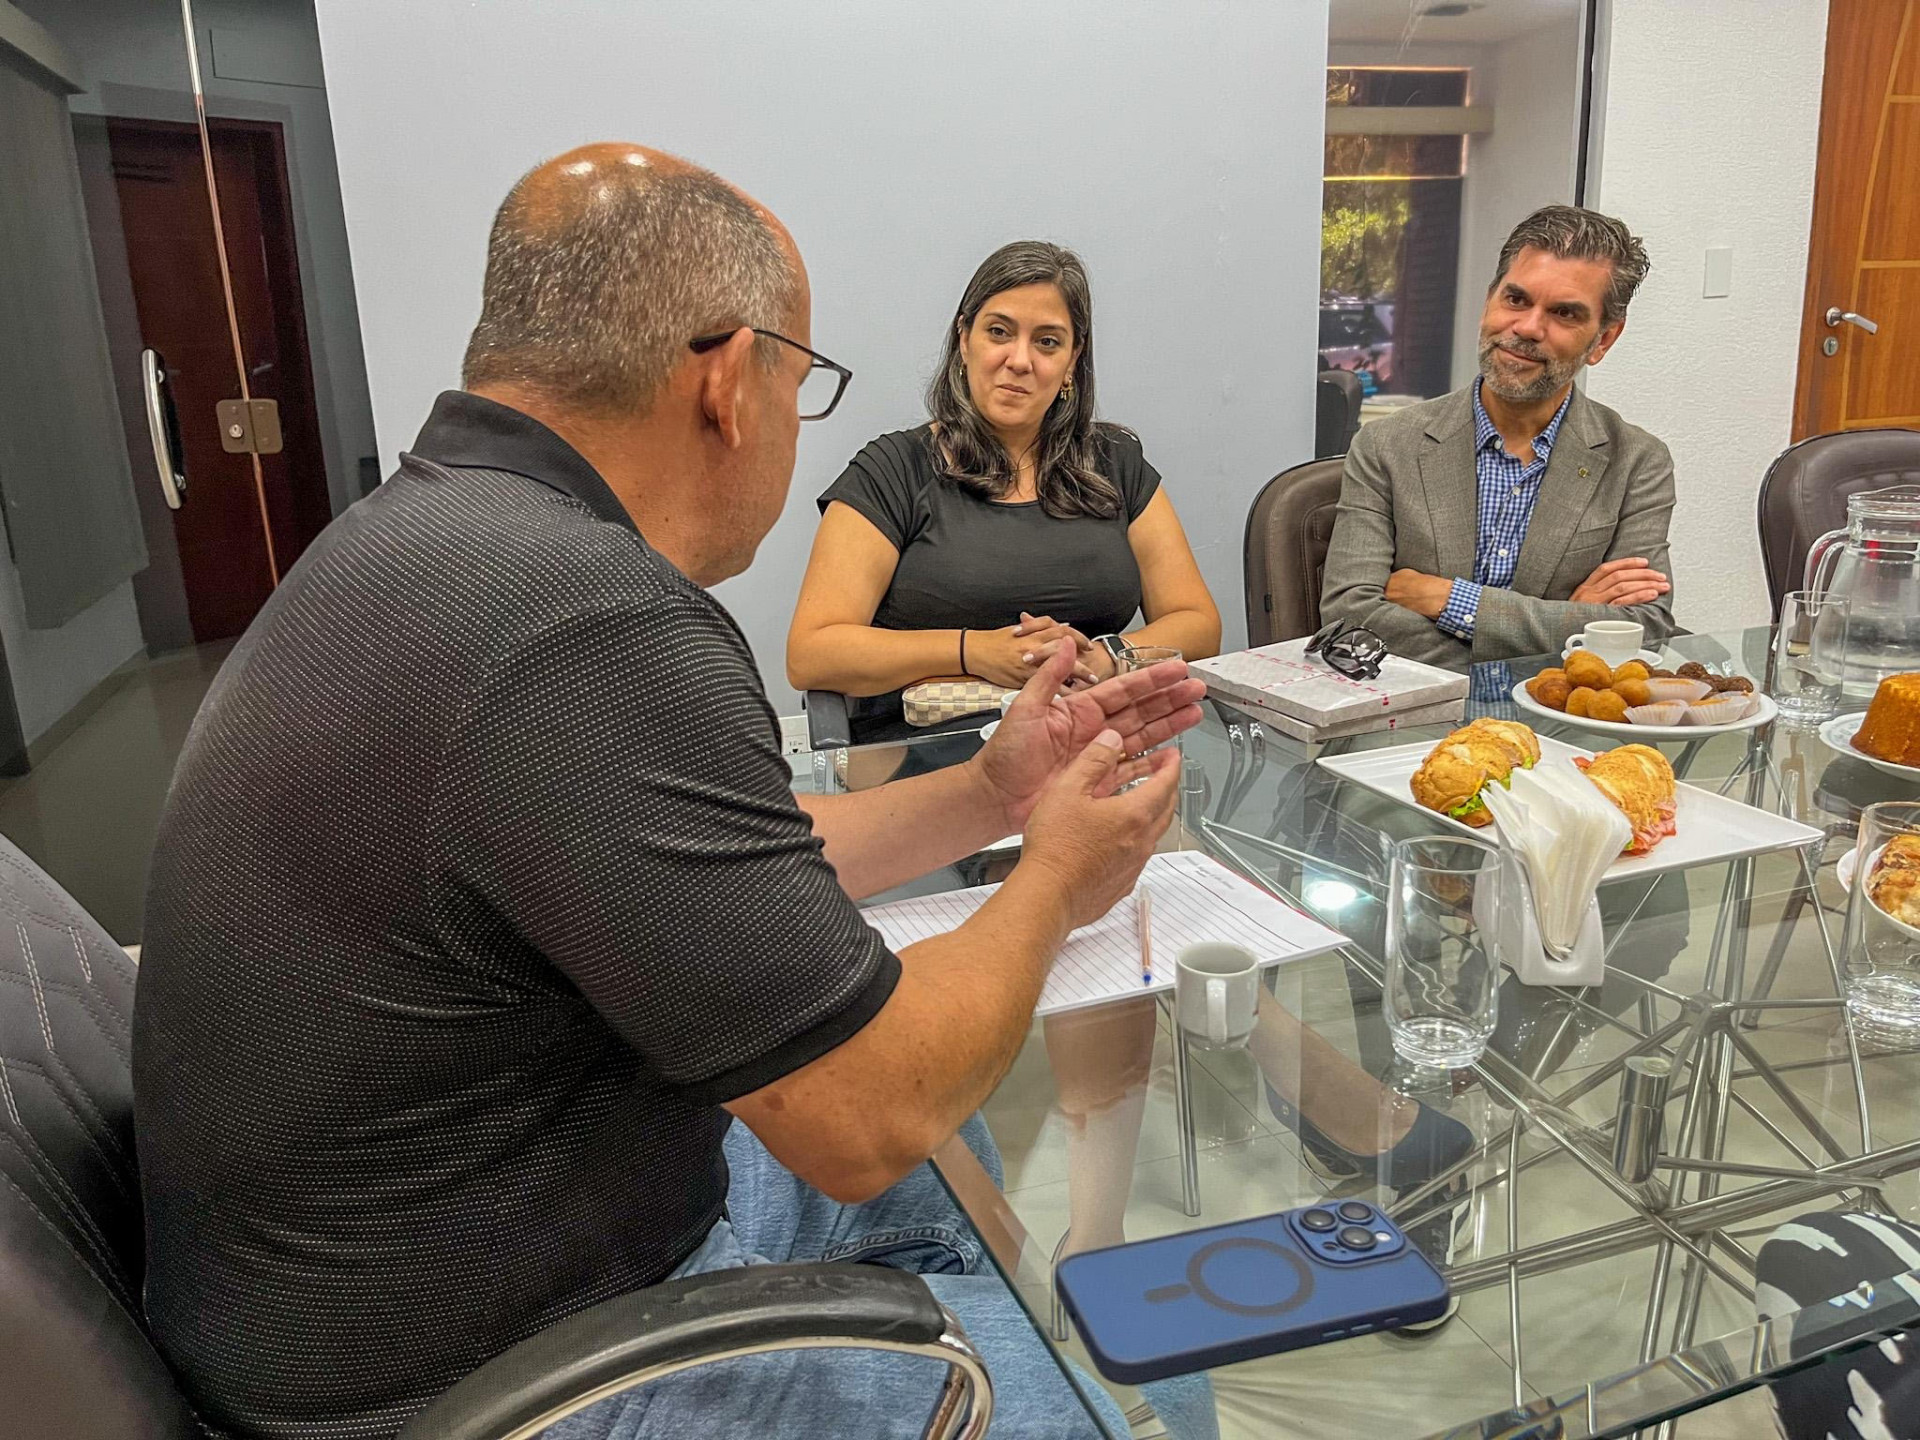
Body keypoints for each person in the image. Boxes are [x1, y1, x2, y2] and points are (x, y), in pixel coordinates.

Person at [130, 144, 1209, 1440]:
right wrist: (1058, 879)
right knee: (1124, 1365)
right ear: (726, 382)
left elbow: (731, 850)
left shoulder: (437, 535)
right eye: (799, 379)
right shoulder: (593, 621)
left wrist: (993, 792)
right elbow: (865, 1114)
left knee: (962, 1180)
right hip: (489, 1385)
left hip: (406, 1271)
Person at [786, 239, 1221, 744]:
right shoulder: (891, 471)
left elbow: (1199, 624)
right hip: (926, 761)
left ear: (1072, 361)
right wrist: (976, 652)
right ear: (964, 338)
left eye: (1048, 342)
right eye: (999, 332)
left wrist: (1101, 657)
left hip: (1094, 746)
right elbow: (812, 654)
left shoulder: (1115, 464)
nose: (1020, 360)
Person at [1320, 204, 1678, 669]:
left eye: (1564, 313)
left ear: (1604, 340)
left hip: (1562, 727)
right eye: (1516, 299)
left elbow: (1643, 629)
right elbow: (1351, 616)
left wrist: (1449, 599)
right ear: (1489, 300)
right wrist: (1570, 621)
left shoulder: (1637, 462)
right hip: (1422, 723)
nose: (1527, 327)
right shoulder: (1387, 446)